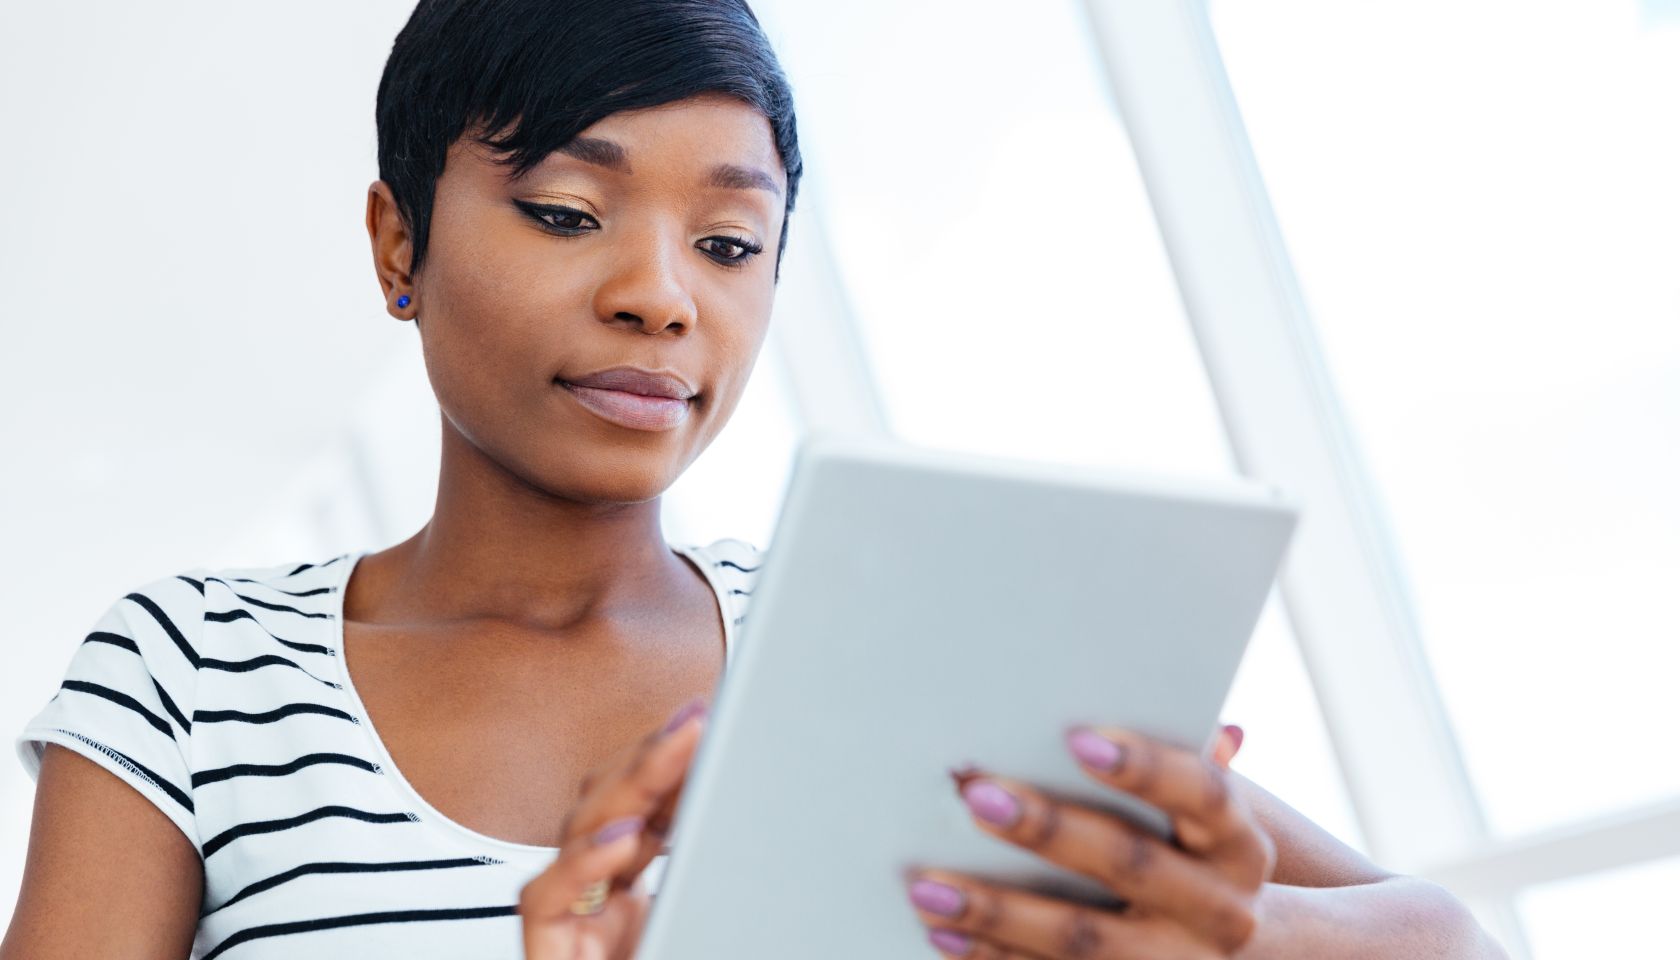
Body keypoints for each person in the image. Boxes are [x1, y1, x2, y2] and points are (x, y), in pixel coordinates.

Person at [2, 1, 1508, 957]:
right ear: (401, 243)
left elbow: (1447, 939)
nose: (664, 296)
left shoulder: (885, 639)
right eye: (568, 210)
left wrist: (1235, 945)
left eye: (729, 244)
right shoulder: (195, 671)